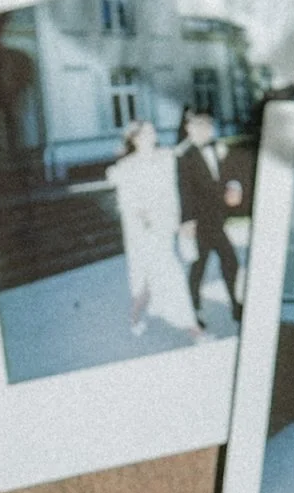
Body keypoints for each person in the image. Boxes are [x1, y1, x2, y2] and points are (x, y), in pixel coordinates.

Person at [75, 120, 201, 344]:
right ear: (135, 139)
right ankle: (192, 328)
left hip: (165, 226)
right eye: (146, 133)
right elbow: (126, 203)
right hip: (144, 232)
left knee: (150, 281)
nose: (152, 136)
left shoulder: (165, 157)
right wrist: (143, 216)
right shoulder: (127, 166)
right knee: (169, 274)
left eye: (153, 132)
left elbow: (184, 155)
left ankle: (136, 317)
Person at [175, 107, 246, 328]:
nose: (205, 131)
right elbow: (183, 190)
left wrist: (233, 186)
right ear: (189, 129)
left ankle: (235, 306)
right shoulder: (183, 155)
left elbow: (231, 172)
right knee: (199, 267)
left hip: (217, 218)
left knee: (230, 262)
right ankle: (192, 311)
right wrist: (187, 221)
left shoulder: (218, 147)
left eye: (208, 126)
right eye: (199, 126)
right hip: (199, 222)